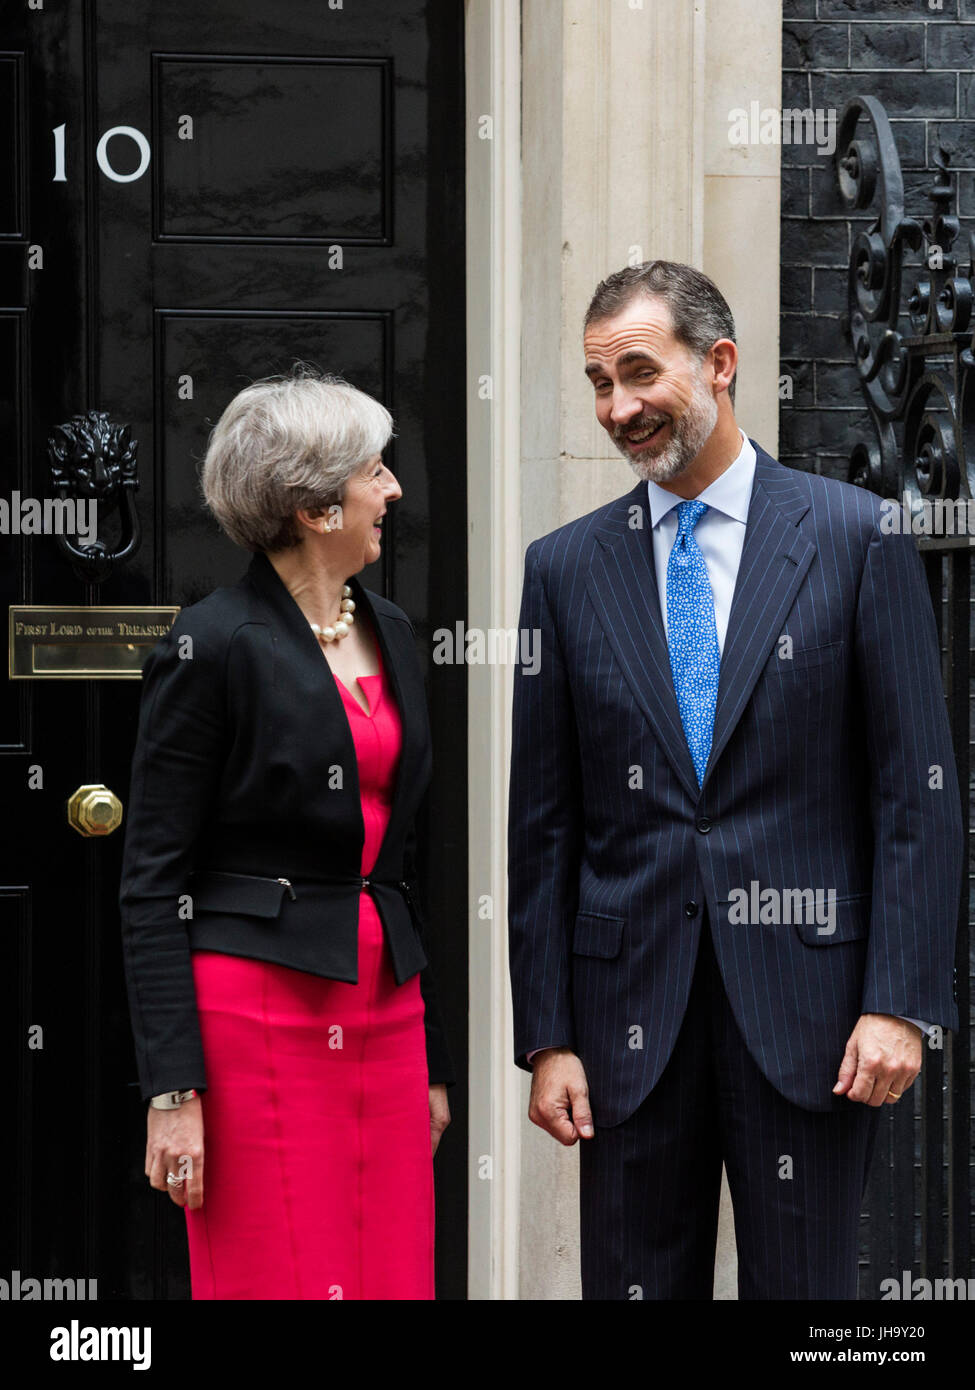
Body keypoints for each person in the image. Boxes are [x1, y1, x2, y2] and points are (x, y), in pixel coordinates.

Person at [507, 260, 962, 1300]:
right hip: (627, 1023)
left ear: (719, 365)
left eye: (637, 372)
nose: (617, 407)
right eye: (597, 383)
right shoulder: (565, 569)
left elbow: (916, 798)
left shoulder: (856, 538)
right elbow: (541, 823)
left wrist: (899, 1000)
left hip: (813, 1011)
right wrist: (548, 1035)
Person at [118, 366, 453, 1300]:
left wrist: (436, 1064)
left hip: (386, 1009)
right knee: (276, 1270)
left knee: (389, 1268)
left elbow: (410, 859)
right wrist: (172, 1092)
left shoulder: (391, 629)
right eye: (374, 473)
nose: (391, 491)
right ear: (312, 505)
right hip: (253, 1015)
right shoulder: (210, 645)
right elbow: (151, 880)